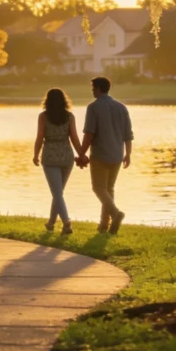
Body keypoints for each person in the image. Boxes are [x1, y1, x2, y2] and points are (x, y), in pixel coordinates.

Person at [79, 76, 133, 235]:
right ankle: (104, 224)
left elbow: (89, 133)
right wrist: (128, 154)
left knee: (98, 188)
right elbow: (128, 134)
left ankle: (116, 214)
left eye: (93, 87)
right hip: (117, 154)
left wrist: (81, 153)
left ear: (98, 89)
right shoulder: (121, 107)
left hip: (100, 154)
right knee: (108, 189)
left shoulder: (93, 107)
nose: (92, 90)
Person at [32, 88, 83, 234]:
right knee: (58, 192)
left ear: (47, 101)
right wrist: (81, 154)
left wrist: (35, 155)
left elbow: (40, 137)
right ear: (63, 101)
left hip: (50, 157)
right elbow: (74, 138)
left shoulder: (43, 117)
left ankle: (66, 222)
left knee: (57, 193)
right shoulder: (69, 117)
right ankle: (51, 223)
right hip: (67, 157)